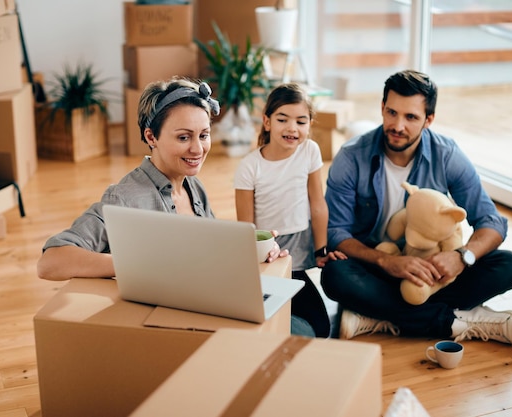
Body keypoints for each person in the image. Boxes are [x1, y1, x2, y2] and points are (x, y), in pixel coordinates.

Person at [36, 77, 313, 334]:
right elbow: (51, 263)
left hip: (205, 301)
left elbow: (205, 251)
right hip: (170, 323)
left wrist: (253, 249)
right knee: (297, 333)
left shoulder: (194, 186)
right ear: (151, 137)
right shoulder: (125, 198)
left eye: (203, 135)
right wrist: (140, 265)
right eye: (184, 137)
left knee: (308, 326)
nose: (197, 149)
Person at [321, 69, 512, 344]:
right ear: (382, 108)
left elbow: (491, 222)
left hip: (432, 274)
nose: (398, 126)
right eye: (392, 113)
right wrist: (387, 261)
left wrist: (461, 257)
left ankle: (377, 316)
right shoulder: (352, 157)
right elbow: (336, 231)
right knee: (335, 275)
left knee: (509, 265)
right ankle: (457, 322)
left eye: (411, 117)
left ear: (428, 119)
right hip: (377, 268)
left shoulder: (447, 155)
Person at [234, 83, 346, 338]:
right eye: (282, 119)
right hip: (268, 256)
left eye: (301, 121)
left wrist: (321, 250)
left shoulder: (310, 151)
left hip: (300, 251)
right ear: (267, 121)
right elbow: (245, 226)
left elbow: (317, 204)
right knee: (306, 326)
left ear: (309, 124)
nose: (292, 128)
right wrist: (257, 258)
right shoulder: (249, 166)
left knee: (322, 328)